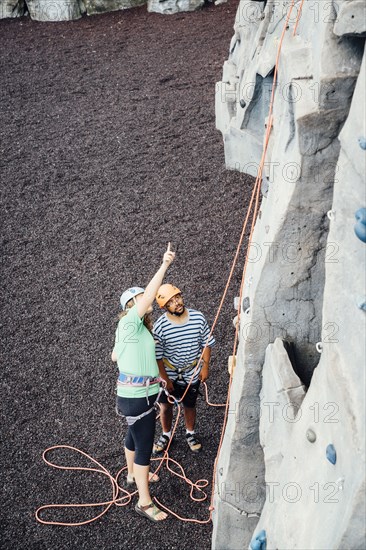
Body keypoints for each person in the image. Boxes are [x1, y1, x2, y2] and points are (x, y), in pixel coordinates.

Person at [111, 244, 175, 522]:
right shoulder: (129, 323)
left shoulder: (129, 329)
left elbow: (115, 357)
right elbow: (149, 295)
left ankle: (130, 475)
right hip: (140, 397)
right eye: (139, 301)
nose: (145, 304)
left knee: (133, 436)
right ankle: (144, 502)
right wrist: (164, 265)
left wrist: (151, 373)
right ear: (132, 307)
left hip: (135, 394)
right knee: (145, 448)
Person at [152, 284, 215, 454]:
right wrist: (165, 378)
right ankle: (166, 434)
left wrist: (205, 366)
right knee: (165, 406)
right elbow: (157, 357)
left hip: (191, 371)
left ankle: (190, 433)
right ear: (165, 307)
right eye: (171, 302)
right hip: (170, 372)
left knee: (190, 404)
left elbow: (206, 343)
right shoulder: (160, 327)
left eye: (177, 297)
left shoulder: (198, 318)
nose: (177, 303)